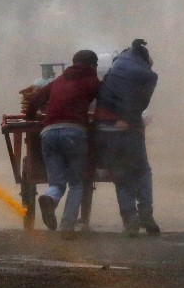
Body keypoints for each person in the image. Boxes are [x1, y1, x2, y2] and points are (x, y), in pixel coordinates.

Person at [25, 50, 101, 239]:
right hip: (74, 133)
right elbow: (107, 103)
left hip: (48, 133)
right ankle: (67, 227)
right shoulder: (93, 81)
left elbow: (34, 101)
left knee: (57, 182)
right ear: (92, 65)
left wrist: (31, 118)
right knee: (76, 183)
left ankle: (50, 199)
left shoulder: (58, 81)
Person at [94, 39, 160, 237]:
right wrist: (129, 120)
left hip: (106, 132)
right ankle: (146, 214)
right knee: (142, 172)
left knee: (121, 177)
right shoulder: (147, 76)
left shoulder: (113, 71)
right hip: (130, 132)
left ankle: (130, 219)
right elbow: (140, 105)